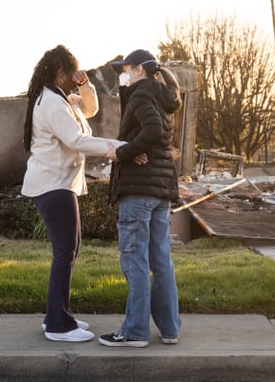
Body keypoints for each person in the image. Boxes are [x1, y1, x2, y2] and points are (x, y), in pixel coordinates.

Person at [21, 45, 125, 343]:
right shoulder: (52, 103)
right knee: (65, 252)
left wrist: (85, 84)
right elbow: (76, 139)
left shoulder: (62, 98)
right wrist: (119, 149)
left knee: (69, 251)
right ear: (59, 72)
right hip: (53, 184)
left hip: (59, 184)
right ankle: (58, 325)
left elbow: (90, 109)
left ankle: (56, 314)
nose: (75, 78)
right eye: (72, 73)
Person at [99, 49, 182, 348]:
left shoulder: (142, 95)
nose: (123, 73)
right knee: (161, 261)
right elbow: (150, 130)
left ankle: (135, 331)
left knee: (134, 261)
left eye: (126, 69)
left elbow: (152, 130)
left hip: (139, 191)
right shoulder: (160, 95)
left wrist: (123, 152)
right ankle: (170, 329)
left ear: (139, 70)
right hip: (160, 191)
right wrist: (134, 147)